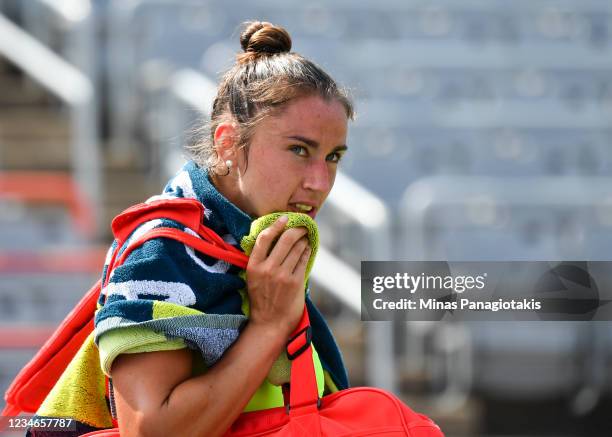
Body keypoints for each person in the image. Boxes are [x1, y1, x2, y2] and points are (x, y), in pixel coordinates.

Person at [96, 21, 354, 436]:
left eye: (333, 157)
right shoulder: (161, 249)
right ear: (227, 143)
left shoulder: (260, 241)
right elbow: (150, 431)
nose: (320, 182)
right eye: (299, 150)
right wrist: (268, 326)